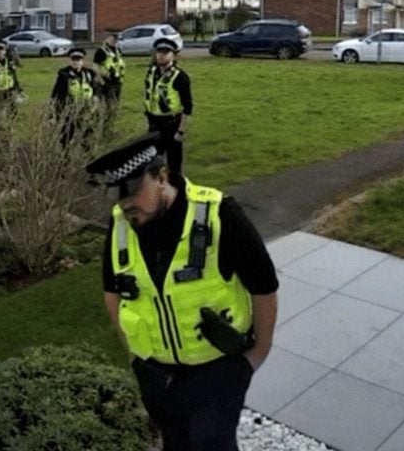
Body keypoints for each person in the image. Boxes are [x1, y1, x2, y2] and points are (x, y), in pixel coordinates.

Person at [87, 132, 278, 451]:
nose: (126, 205)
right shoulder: (122, 224)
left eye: (135, 192)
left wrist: (256, 354)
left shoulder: (218, 214)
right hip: (156, 375)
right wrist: (136, 357)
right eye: (118, 198)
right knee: (175, 442)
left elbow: (264, 286)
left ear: (161, 177)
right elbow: (112, 294)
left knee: (210, 444)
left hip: (216, 370)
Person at [143, 38, 191, 175]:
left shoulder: (180, 77)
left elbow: (188, 107)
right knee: (152, 162)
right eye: (159, 51)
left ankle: (176, 192)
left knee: (174, 165)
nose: (161, 55)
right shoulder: (151, 72)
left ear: (173, 55)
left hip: (171, 124)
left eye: (166, 52)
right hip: (153, 123)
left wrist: (181, 132)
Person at [50, 48, 99, 148]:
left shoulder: (89, 74)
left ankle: (87, 156)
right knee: (67, 136)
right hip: (69, 110)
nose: (76, 62)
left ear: (83, 61)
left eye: (78, 60)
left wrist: (94, 105)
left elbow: (95, 90)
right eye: (74, 60)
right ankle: (65, 157)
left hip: (85, 110)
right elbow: (56, 94)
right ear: (70, 61)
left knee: (87, 136)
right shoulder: (63, 75)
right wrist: (55, 113)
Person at [93, 33, 125, 132]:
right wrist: (101, 80)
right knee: (107, 106)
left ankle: (110, 127)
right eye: (112, 38)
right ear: (107, 38)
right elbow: (95, 67)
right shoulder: (101, 51)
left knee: (115, 105)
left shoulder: (118, 50)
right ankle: (104, 128)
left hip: (117, 82)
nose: (114, 41)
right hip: (106, 83)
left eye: (116, 39)